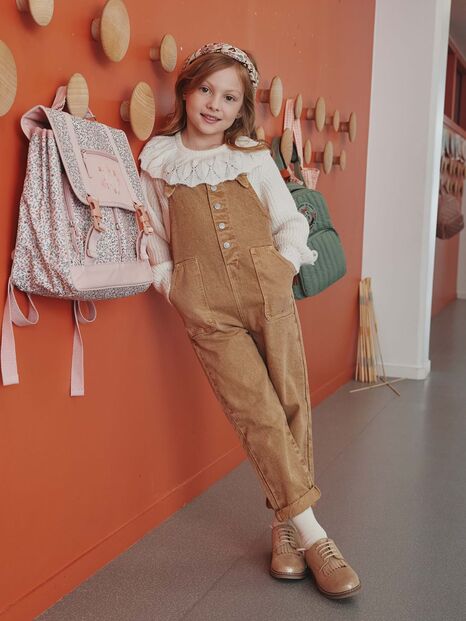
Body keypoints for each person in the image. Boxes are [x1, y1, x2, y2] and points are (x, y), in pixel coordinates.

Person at [138, 41, 361, 599]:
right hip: (205, 304)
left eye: (229, 97)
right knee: (256, 411)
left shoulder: (252, 156)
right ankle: (316, 536)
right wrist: (172, 284)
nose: (214, 104)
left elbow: (289, 220)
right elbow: (154, 233)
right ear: (187, 89)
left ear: (242, 107)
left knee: (290, 402)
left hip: (267, 289)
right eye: (206, 89)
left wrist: (283, 268)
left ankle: (287, 528)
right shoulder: (158, 159)